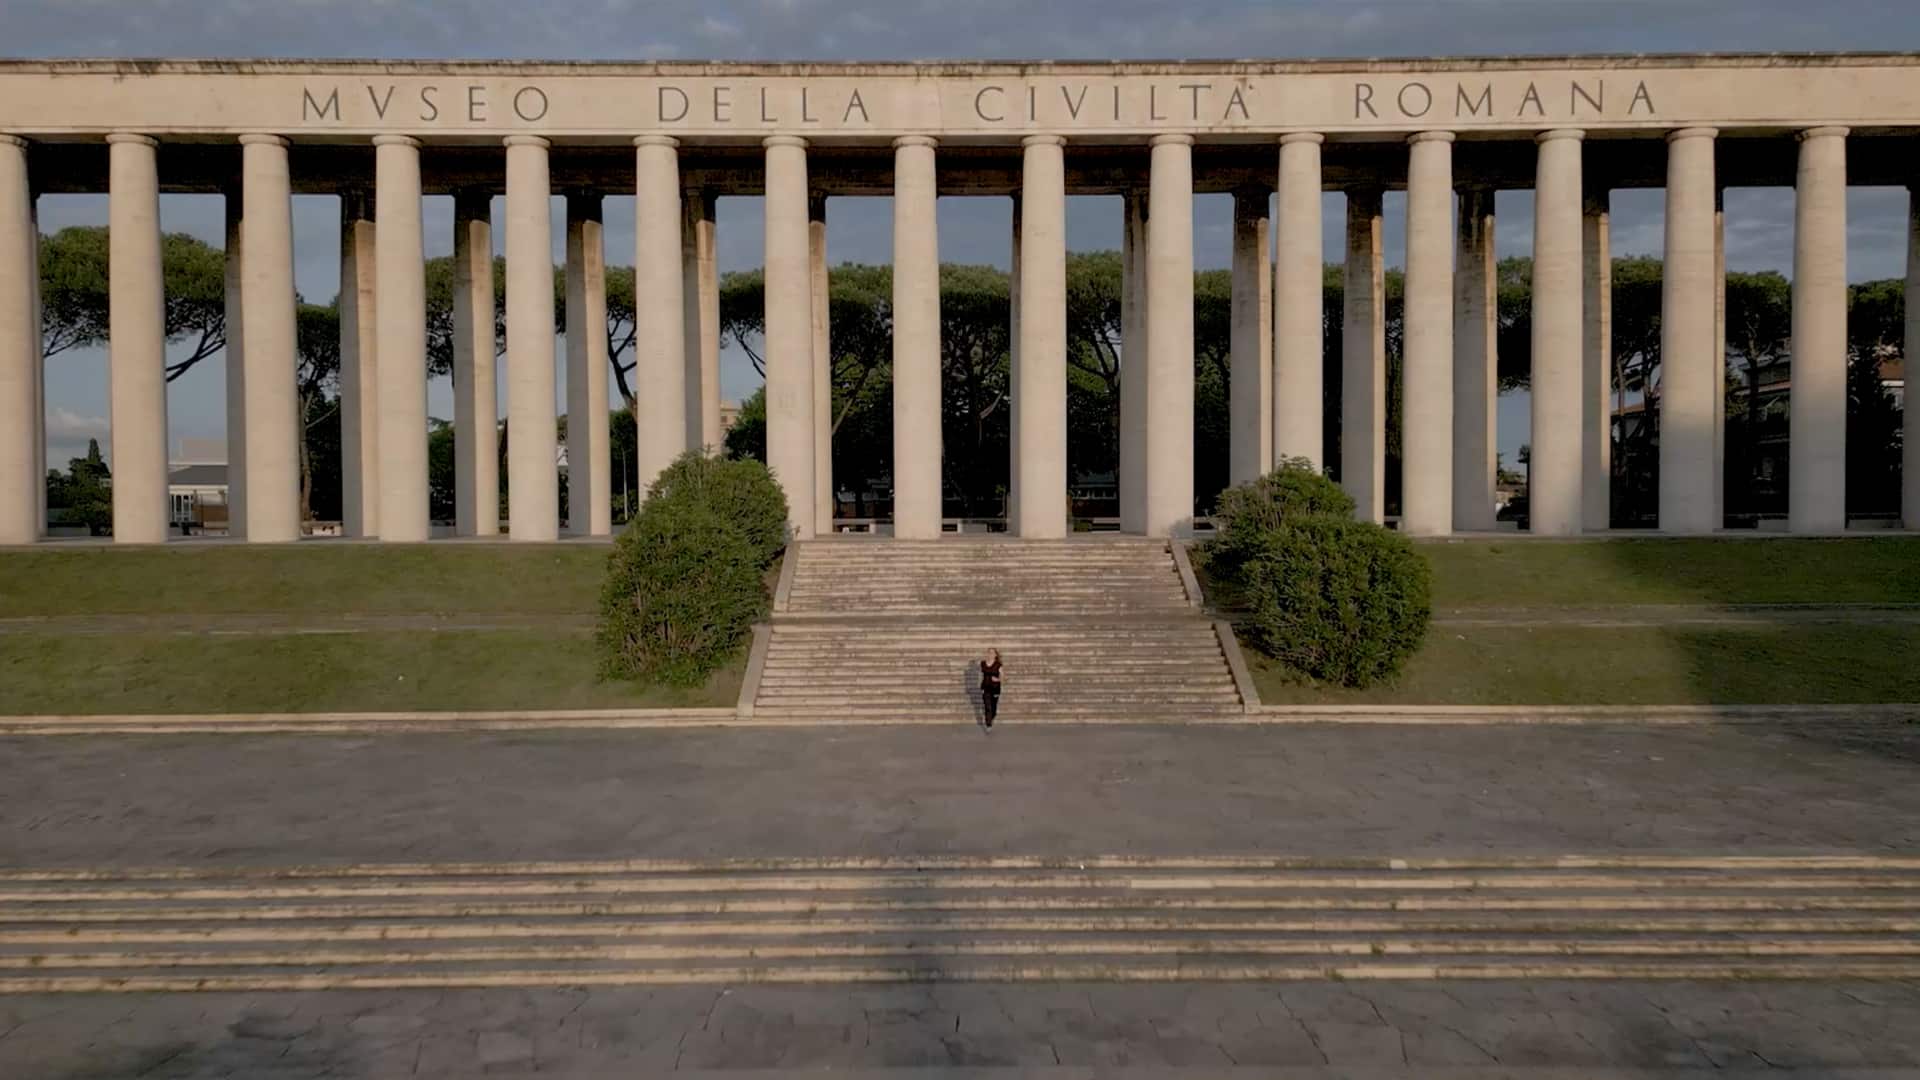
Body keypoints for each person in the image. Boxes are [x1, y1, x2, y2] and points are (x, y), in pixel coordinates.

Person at [979, 648, 1003, 727]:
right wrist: (981, 686)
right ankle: (988, 724)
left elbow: (1003, 677)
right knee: (987, 705)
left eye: (992, 653)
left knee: (993, 706)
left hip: (995, 688)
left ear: (995, 655)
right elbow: (980, 675)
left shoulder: (998, 664)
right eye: (989, 652)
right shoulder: (983, 663)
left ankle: (992, 717)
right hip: (985, 687)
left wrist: (997, 679)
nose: (990, 654)